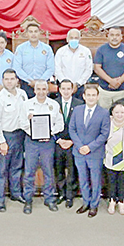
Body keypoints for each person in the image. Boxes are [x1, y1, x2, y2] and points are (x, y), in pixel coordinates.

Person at [20, 81, 63, 214]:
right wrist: (33, 131)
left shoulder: (54, 105)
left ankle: (49, 198)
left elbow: (60, 124)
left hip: (47, 142)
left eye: (44, 89)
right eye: (38, 89)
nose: (41, 91)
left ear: (47, 90)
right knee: (29, 172)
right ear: (34, 90)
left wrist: (49, 133)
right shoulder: (26, 105)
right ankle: (28, 199)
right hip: (31, 142)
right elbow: (22, 123)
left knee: (48, 171)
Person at [69, 84, 110, 218]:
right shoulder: (77, 110)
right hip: (79, 151)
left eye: (94, 95)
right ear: (84, 96)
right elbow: (72, 129)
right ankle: (85, 202)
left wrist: (89, 147)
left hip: (95, 152)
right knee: (83, 179)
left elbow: (104, 134)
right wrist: (80, 145)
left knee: (95, 179)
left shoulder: (104, 113)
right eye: (89, 95)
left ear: (97, 97)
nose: (91, 97)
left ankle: (94, 205)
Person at [0, 68, 28, 212]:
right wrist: (2, 142)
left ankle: (15, 193)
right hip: (6, 136)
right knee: (2, 169)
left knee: (17, 167)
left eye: (12, 79)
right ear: (2, 80)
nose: (9, 81)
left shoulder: (23, 94)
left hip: (20, 135)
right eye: (6, 79)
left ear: (17, 80)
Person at [53, 79, 83, 209]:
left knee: (72, 170)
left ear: (72, 90)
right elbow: (49, 124)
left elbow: (81, 126)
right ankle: (61, 193)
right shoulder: (53, 104)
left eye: (68, 89)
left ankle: (70, 195)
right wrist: (58, 140)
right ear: (59, 89)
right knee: (58, 169)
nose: (65, 91)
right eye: (63, 88)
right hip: (58, 142)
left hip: (73, 143)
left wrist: (72, 141)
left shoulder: (79, 104)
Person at [93, 27, 124, 109]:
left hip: (122, 91)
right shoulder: (101, 50)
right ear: (108, 36)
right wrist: (111, 81)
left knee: (121, 115)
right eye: (112, 35)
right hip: (104, 91)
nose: (114, 37)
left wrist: (118, 82)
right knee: (104, 116)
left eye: (117, 35)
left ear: (121, 37)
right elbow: (97, 68)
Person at [13, 23, 55, 98]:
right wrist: (30, 81)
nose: (33, 34)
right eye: (31, 32)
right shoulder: (20, 49)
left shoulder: (47, 49)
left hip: (43, 85)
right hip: (26, 84)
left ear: (39, 33)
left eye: (36, 31)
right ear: (26, 34)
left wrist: (40, 82)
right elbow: (17, 68)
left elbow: (50, 68)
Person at [54, 29, 93, 99]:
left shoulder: (86, 51)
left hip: (80, 87)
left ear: (80, 39)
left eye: (76, 38)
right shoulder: (60, 51)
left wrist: (78, 84)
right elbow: (57, 69)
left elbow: (88, 70)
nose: (74, 40)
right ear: (67, 39)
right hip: (63, 88)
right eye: (71, 38)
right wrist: (66, 85)